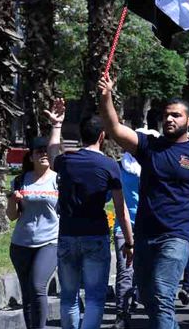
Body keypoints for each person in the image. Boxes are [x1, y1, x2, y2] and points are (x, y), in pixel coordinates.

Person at [97, 76, 189, 327]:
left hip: (176, 236)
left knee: (161, 294)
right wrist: (106, 97)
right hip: (145, 235)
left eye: (176, 115)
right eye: (167, 115)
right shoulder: (149, 147)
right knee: (147, 295)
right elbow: (114, 129)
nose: (169, 119)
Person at [52, 113, 134, 329]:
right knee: (95, 297)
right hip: (96, 235)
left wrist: (57, 125)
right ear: (102, 136)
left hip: (67, 234)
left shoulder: (66, 161)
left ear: (81, 135)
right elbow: (120, 209)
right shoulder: (109, 166)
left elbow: (52, 153)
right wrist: (129, 241)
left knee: (68, 296)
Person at [6, 100, 63, 329]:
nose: (43, 154)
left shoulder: (57, 177)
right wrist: (13, 200)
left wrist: (57, 125)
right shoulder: (21, 180)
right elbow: (12, 216)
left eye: (45, 150)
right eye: (38, 151)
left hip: (49, 241)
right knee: (27, 294)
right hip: (20, 243)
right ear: (30, 156)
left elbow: (56, 148)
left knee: (38, 286)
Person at [113, 128, 160, 329]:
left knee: (149, 273)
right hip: (125, 226)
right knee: (124, 271)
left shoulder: (158, 165)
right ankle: (121, 315)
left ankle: (153, 312)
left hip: (152, 226)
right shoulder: (119, 167)